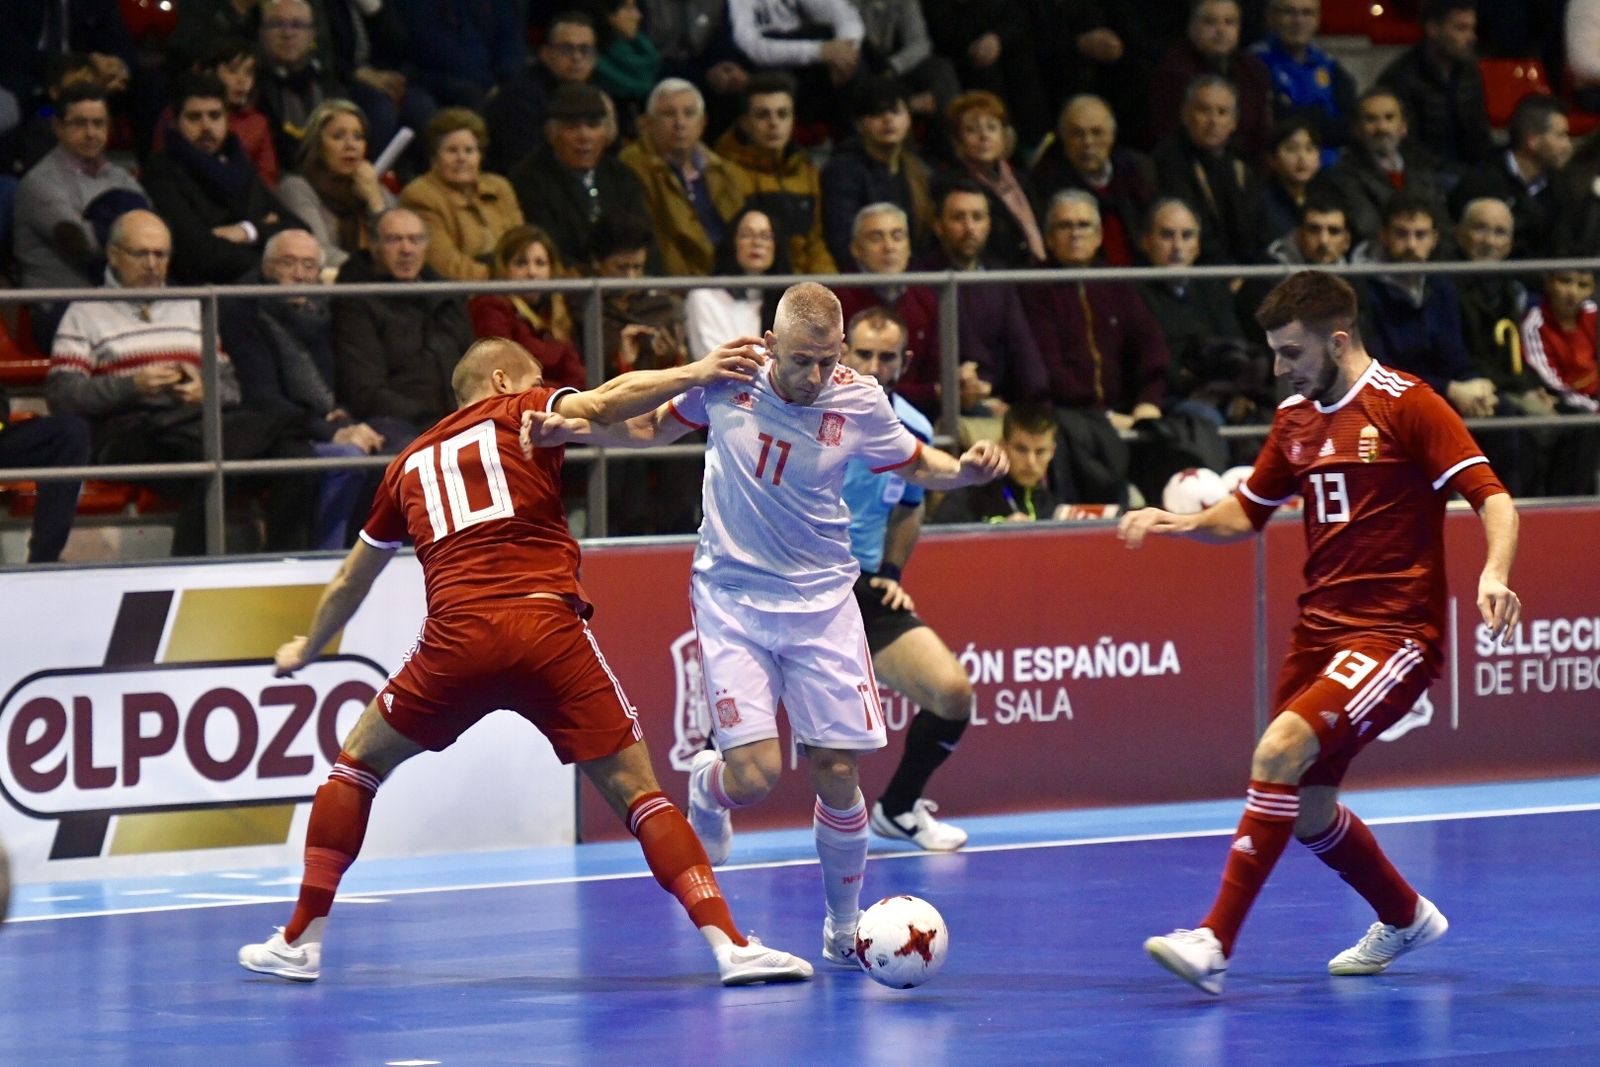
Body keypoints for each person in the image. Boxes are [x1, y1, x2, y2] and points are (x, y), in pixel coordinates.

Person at [238, 335, 812, 986]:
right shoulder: (522, 408)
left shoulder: (405, 466)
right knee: (640, 794)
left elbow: (350, 581)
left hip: (454, 640)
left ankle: (300, 939)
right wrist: (699, 370)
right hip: (546, 627)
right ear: (506, 379)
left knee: (355, 766)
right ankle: (731, 945)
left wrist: (307, 647)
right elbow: (605, 403)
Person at [521, 282, 1009, 967]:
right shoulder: (729, 375)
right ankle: (707, 785)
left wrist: (967, 471)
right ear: (773, 343)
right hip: (732, 599)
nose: (815, 377)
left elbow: (914, 463)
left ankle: (844, 930)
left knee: (838, 768)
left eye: (827, 361)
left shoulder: (859, 398)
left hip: (823, 603)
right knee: (754, 775)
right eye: (802, 360)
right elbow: (644, 426)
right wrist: (567, 426)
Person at [1123, 268, 1520, 995]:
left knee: (1276, 751)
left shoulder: (1410, 405)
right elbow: (1244, 513)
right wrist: (1172, 522)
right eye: (1274, 352)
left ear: (1338, 342)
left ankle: (1214, 940)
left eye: (1290, 352)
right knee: (1306, 808)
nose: (1278, 367)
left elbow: (1492, 498)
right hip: (1317, 634)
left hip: (1394, 635)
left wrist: (1494, 573)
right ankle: (1405, 915)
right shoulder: (1295, 419)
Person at [47, 210, 316, 556]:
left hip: (196, 423)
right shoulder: (84, 312)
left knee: (296, 457)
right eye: (141, 254)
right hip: (130, 429)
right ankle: (191, 567)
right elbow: (62, 396)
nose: (152, 265)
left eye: (161, 255)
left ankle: (287, 565)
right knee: (224, 453)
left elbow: (230, 386)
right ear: (114, 254)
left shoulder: (190, 306)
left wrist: (207, 392)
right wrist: (133, 385)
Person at [836, 306, 973, 850]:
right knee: (750, 736)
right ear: (843, 352)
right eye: (862, 353)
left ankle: (897, 810)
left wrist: (891, 571)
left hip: (866, 589)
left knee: (952, 694)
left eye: (886, 357)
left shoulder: (911, 429)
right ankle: (707, 809)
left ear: (904, 362)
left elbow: (910, 505)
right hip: (799, 586)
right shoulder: (807, 415)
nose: (873, 366)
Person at [222, 229, 397, 550]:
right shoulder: (243, 310)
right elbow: (262, 397)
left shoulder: (323, 310)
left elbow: (341, 381)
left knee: (397, 454)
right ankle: (326, 562)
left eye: (309, 266)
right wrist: (331, 430)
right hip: (275, 432)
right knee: (350, 459)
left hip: (316, 422)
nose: (300, 275)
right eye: (288, 264)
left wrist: (344, 416)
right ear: (266, 266)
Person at [140, 73, 304, 285]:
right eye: (194, 117)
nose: (206, 126)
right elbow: (200, 255)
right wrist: (272, 256)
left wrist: (246, 232)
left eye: (214, 116)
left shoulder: (240, 166)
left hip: (257, 287)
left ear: (227, 120)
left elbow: (298, 229)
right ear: (175, 122)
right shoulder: (161, 171)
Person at [507, 82, 650, 269]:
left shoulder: (623, 177)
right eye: (572, 127)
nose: (585, 137)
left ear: (606, 133)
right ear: (551, 133)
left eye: (593, 126)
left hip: (628, 283)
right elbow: (547, 247)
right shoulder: (529, 180)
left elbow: (645, 240)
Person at [714, 71, 837, 274]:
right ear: (745, 123)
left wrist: (829, 290)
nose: (774, 123)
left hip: (805, 290)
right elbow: (732, 248)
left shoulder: (807, 172)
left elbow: (815, 243)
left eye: (782, 114)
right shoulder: (725, 174)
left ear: (792, 120)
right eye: (763, 115)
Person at [620, 78, 743, 277]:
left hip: (730, 282)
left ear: (703, 123)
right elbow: (658, 244)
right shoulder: (633, 167)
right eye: (669, 114)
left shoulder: (722, 170)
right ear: (648, 124)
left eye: (689, 113)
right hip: (678, 285)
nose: (680, 123)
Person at [1029, 94, 1158, 269]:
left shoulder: (1138, 172)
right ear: (1064, 139)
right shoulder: (1045, 182)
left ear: (1112, 135)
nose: (1088, 142)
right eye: (1077, 134)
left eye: (1097, 132)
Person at [820, 76, 934, 269]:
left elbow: (924, 239)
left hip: (912, 279)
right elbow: (842, 241)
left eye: (895, 111)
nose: (888, 119)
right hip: (861, 281)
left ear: (908, 119)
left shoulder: (919, 171)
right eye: (877, 113)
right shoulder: (841, 173)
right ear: (860, 124)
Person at [399, 108, 525, 282]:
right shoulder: (420, 196)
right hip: (464, 295)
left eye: (469, 151)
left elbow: (524, 245)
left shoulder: (500, 188)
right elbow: (446, 265)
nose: (461, 158)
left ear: (480, 156)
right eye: (452, 150)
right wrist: (508, 279)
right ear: (434, 158)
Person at [275, 99, 396, 273]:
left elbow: (398, 246)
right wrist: (370, 275)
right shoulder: (297, 188)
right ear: (318, 145)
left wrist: (375, 201)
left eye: (358, 137)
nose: (351, 145)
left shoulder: (374, 188)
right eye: (338, 136)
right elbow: (319, 251)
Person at [1376, 0, 1493, 172]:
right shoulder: (1401, 77)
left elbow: (1480, 134)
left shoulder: (1469, 73)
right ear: (1433, 29)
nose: (1472, 38)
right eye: (1461, 28)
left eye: (1472, 29)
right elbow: (1405, 147)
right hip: (1422, 175)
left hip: (1466, 171)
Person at [468, 225, 587, 391]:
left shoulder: (554, 313)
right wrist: (559, 393)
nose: (532, 272)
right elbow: (507, 377)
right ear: (503, 268)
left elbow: (577, 377)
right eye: (521, 263)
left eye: (540, 263)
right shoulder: (490, 307)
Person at [940, 91, 1044, 268]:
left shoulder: (1021, 180)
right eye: (972, 130)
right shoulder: (951, 184)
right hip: (988, 275)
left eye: (991, 127)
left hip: (1030, 273)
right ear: (958, 141)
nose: (984, 137)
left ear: (1004, 136)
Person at [685, 207, 789, 360]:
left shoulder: (788, 301)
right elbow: (714, 361)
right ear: (732, 242)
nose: (756, 243)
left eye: (766, 236)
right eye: (747, 235)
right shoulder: (704, 297)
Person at [932, 403, 1063, 523]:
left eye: (1040, 452)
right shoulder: (970, 493)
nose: (1031, 462)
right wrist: (998, 535)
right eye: (1021, 449)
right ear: (1003, 446)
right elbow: (936, 541)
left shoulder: (1053, 506)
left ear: (1052, 451)